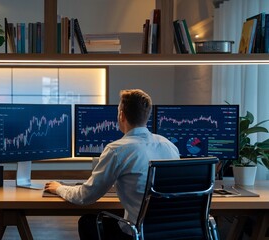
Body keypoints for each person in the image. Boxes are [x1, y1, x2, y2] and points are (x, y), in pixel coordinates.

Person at [44, 89, 180, 240]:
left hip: (138, 234)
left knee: (87, 222)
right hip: (175, 231)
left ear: (121, 115)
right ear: (147, 116)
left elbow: (86, 197)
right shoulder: (169, 145)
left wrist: (59, 188)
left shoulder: (117, 150)